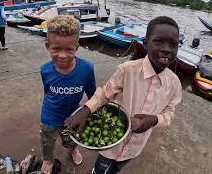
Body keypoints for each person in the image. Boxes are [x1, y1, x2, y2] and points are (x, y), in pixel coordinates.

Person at [64, 16, 182, 174]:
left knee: (118, 167)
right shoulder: (127, 70)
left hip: (137, 144)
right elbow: (105, 93)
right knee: (102, 166)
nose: (167, 48)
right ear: (145, 44)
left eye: (173, 44)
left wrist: (154, 120)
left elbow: (169, 112)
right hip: (113, 144)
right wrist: (85, 110)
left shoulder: (174, 84)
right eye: (159, 41)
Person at [40, 15, 96, 174]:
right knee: (47, 141)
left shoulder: (87, 69)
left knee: (72, 138)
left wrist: (91, 113)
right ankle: (48, 159)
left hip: (73, 115)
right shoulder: (45, 69)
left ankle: (72, 150)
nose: (63, 55)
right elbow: (47, 91)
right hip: (50, 115)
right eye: (56, 49)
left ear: (77, 48)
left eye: (69, 50)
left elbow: (93, 95)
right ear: (47, 46)